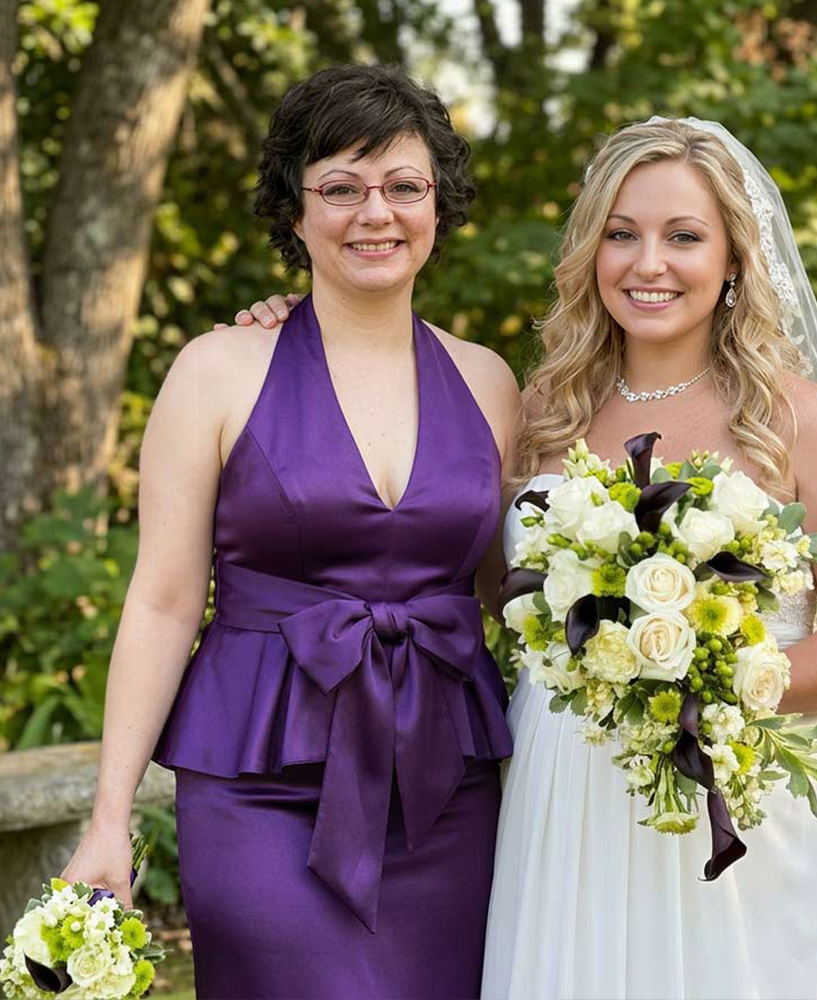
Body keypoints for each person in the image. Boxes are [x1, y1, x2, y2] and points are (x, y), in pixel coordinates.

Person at [237, 117, 817, 999]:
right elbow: (477, 580)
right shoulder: (539, 410)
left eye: (684, 237)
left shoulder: (795, 420)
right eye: (621, 234)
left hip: (740, 810)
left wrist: (710, 686)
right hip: (564, 801)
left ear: (733, 261)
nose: (649, 263)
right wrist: (303, 321)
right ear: (591, 251)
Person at [61, 63, 520, 1000]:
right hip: (260, 779)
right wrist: (108, 819)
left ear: (440, 204)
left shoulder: (491, 383)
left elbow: (511, 599)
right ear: (296, 210)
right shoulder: (218, 370)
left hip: (447, 787)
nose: (374, 213)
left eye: (403, 186)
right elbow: (161, 598)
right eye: (340, 188)